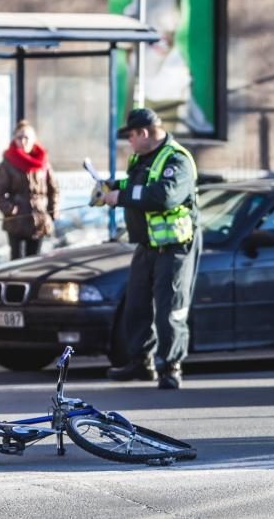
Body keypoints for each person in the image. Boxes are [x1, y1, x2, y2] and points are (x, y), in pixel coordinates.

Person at [102, 108, 201, 390]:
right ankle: (140, 361)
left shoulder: (176, 159)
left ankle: (171, 366)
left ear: (144, 133)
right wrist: (109, 187)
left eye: (131, 136)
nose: (129, 143)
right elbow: (135, 185)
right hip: (147, 245)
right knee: (136, 306)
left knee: (170, 309)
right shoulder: (143, 157)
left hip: (174, 247)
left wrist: (119, 196)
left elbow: (165, 196)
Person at [0, 120, 59, 260]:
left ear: (34, 140)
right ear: (14, 139)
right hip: (16, 222)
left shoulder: (43, 163)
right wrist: (10, 209)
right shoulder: (8, 163)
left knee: (34, 262)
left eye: (26, 137)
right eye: (19, 137)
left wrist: (53, 211)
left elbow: (54, 190)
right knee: (17, 262)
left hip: (39, 220)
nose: (23, 141)